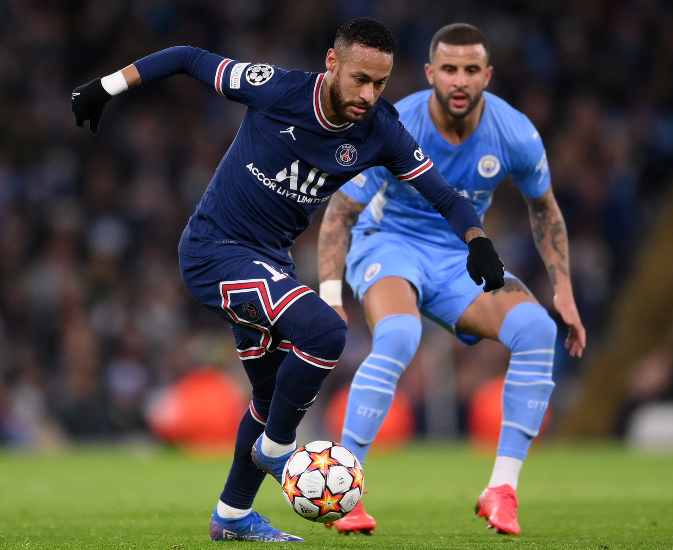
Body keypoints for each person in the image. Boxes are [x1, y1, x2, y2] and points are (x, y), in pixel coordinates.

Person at [71, 18, 505, 543]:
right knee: (325, 333)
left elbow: (444, 195)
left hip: (268, 261)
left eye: (380, 84)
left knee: (270, 392)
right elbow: (186, 55)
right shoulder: (276, 89)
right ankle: (277, 449)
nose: (368, 94)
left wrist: (477, 240)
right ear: (331, 63)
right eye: (359, 79)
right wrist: (106, 87)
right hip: (215, 250)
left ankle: (231, 515)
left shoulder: (381, 130)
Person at [317, 23, 586, 536]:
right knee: (399, 335)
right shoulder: (398, 123)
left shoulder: (514, 132)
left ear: (486, 75)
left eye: (469, 70)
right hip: (389, 243)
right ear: (430, 74)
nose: (459, 81)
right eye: (449, 69)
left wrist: (564, 291)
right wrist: (331, 294)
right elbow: (340, 214)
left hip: (459, 256)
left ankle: (502, 490)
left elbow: (544, 211)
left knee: (537, 332)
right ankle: (344, 488)